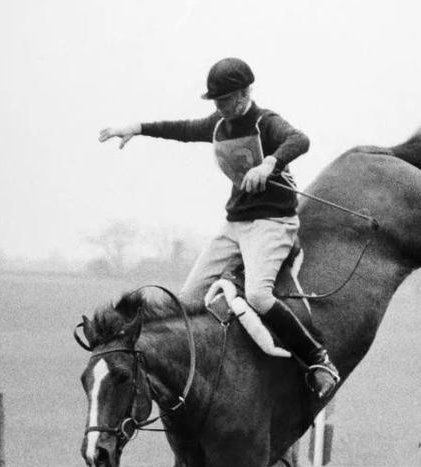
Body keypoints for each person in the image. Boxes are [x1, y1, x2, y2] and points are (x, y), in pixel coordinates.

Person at [98, 57, 339, 398]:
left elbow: (300, 140)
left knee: (257, 294)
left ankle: (318, 359)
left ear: (244, 94)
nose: (221, 108)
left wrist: (270, 162)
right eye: (216, 102)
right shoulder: (218, 125)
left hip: (272, 222)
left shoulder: (265, 122)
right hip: (235, 225)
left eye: (225, 101)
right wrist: (136, 128)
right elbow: (181, 130)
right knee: (187, 299)